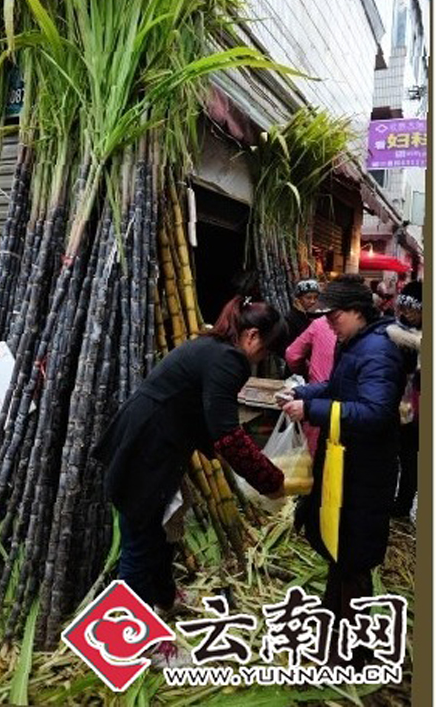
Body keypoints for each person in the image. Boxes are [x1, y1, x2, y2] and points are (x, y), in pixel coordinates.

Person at [94, 297, 286, 611]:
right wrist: (270, 479)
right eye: (265, 350)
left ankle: (165, 600)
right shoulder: (229, 360)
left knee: (159, 533)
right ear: (252, 336)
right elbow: (228, 435)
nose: (260, 359)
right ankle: (133, 640)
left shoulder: (212, 347)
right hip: (148, 448)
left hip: (151, 441)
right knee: (140, 543)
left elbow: (205, 417)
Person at [280, 274, 407, 668]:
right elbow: (337, 389)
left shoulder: (379, 351)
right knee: (341, 550)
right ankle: (335, 629)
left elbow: (375, 412)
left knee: (354, 554)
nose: (328, 322)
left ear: (356, 311)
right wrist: (303, 393)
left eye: (333, 315)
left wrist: (313, 411)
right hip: (345, 464)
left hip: (365, 470)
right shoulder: (352, 342)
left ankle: (354, 650)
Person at [387, 281, 422, 519]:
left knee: (409, 457)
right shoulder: (394, 331)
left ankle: (403, 504)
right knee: (392, 454)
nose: (407, 313)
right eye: (404, 308)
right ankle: (391, 500)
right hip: (395, 402)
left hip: (415, 407)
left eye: (412, 309)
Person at [284, 314, 337, 454]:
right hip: (341, 408)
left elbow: (292, 355)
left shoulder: (320, 324)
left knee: (313, 459)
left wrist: (306, 373)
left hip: (317, 403)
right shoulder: (366, 333)